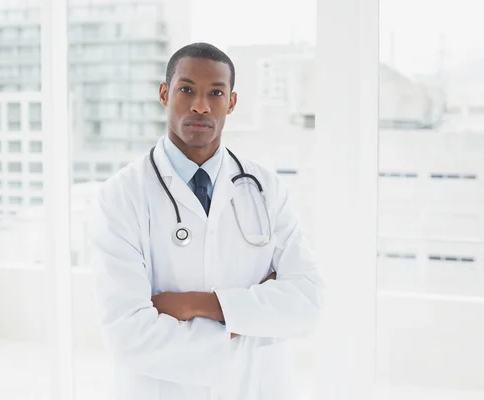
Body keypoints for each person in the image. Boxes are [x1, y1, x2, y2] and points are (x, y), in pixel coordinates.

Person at [88, 42, 324, 400]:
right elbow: (128, 334)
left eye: (215, 92)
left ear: (231, 102)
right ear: (165, 93)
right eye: (187, 90)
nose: (200, 105)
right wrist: (249, 317)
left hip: (258, 387)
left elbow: (306, 303)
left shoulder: (267, 189)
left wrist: (197, 304)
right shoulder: (121, 196)